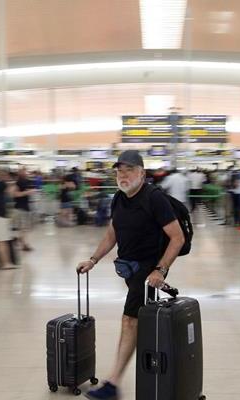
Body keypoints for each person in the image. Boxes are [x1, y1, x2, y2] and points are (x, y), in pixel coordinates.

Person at [77, 150, 185, 400]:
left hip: (148, 272)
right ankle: (153, 369)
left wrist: (160, 270)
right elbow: (111, 235)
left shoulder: (154, 198)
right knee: (138, 321)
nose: (123, 175)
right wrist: (93, 260)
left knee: (130, 321)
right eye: (119, 171)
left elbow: (177, 238)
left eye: (129, 170)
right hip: (130, 268)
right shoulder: (118, 198)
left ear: (142, 173)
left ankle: (113, 384)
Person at [12, 168, 36, 251]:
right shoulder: (18, 182)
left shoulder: (25, 182)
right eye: (24, 171)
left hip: (23, 208)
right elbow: (15, 194)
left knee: (23, 228)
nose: (26, 173)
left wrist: (29, 191)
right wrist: (28, 192)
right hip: (21, 208)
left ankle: (18, 240)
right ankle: (24, 245)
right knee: (24, 228)